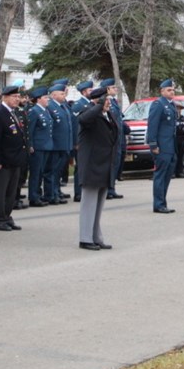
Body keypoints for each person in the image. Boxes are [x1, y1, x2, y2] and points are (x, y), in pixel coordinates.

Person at [76, 87, 118, 250]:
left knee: (99, 204)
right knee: (89, 203)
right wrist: (98, 105)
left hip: (105, 163)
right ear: (97, 101)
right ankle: (85, 238)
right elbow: (84, 120)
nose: (109, 103)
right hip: (92, 164)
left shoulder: (106, 113)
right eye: (106, 100)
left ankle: (96, 237)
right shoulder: (88, 112)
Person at [0, 85, 27, 230]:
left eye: (18, 97)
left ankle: (7, 216)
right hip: (4, 160)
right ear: (5, 97)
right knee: (2, 192)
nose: (17, 99)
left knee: (12, 191)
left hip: (15, 159)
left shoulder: (14, 112)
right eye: (14, 97)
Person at [147, 79, 178, 214]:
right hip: (162, 146)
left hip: (171, 146)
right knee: (160, 175)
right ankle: (158, 204)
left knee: (167, 175)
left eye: (173, 89)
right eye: (169, 90)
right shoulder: (158, 104)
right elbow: (152, 126)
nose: (172, 92)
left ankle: (162, 202)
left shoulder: (171, 105)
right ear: (162, 91)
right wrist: (153, 144)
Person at [26, 87, 53, 207]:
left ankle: (38, 194)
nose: (48, 99)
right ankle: (33, 196)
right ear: (38, 99)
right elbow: (29, 130)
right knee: (36, 173)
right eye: (45, 97)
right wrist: (30, 145)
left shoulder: (45, 110)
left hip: (46, 145)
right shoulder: (34, 111)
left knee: (41, 172)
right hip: (37, 146)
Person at [47, 82, 73, 204]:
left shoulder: (63, 106)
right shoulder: (51, 107)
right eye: (61, 93)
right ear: (53, 95)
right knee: (53, 171)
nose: (64, 95)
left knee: (58, 171)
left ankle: (57, 192)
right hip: (56, 145)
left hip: (64, 144)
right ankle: (52, 194)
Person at [70, 80, 94, 202]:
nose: (92, 92)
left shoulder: (90, 104)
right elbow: (75, 125)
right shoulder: (78, 105)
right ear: (84, 92)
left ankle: (86, 191)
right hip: (81, 142)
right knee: (80, 168)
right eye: (90, 90)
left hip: (88, 141)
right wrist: (76, 142)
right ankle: (78, 193)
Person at [173, 100, 184, 178]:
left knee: (181, 157)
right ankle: (172, 172)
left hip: (182, 141)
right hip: (173, 140)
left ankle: (180, 172)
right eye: (176, 108)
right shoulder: (171, 119)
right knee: (173, 157)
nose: (178, 110)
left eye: (179, 108)